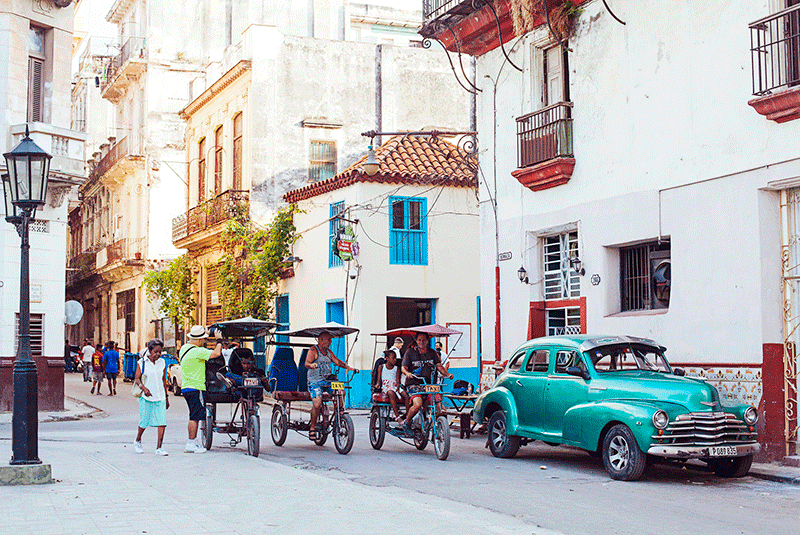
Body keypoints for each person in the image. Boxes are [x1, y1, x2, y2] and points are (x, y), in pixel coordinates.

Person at [304, 331, 358, 441]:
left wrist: (348, 367)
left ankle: (339, 415)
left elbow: (337, 361)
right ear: (321, 340)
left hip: (328, 380)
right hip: (315, 381)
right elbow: (306, 363)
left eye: (330, 340)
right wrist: (312, 365)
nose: (330, 342)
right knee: (317, 403)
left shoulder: (329, 352)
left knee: (341, 391)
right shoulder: (313, 350)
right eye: (328, 339)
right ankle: (312, 427)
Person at [178, 325, 223, 453]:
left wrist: (206, 334)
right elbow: (216, 353)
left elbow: (203, 349)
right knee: (195, 416)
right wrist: (218, 340)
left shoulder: (184, 348)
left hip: (187, 387)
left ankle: (193, 442)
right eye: (203, 339)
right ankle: (191, 443)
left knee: (194, 414)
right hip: (196, 387)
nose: (204, 341)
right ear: (199, 340)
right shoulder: (197, 352)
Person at [401, 331, 453, 436]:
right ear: (416, 341)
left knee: (438, 405)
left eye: (424, 340)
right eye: (419, 340)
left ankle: (435, 424)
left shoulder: (432, 352)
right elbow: (403, 368)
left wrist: (447, 374)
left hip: (429, 384)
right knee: (418, 404)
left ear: (427, 341)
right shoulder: (410, 352)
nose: (422, 342)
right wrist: (407, 373)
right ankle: (407, 422)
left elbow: (439, 366)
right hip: (414, 384)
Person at [133, 339, 170, 456]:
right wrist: (144, 388)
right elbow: (137, 378)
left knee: (162, 422)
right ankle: (138, 440)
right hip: (146, 398)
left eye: (160, 352)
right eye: (155, 352)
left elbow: (163, 381)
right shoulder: (142, 362)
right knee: (144, 421)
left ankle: (159, 447)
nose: (158, 354)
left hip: (160, 397)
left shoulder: (162, 363)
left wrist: (166, 397)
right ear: (149, 350)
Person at [377, 348, 407, 423]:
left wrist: (398, 387)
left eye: (395, 358)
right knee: (391, 393)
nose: (395, 360)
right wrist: (377, 385)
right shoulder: (381, 367)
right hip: (386, 387)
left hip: (395, 386)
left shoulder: (396, 368)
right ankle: (397, 416)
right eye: (393, 358)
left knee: (406, 395)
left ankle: (408, 415)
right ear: (387, 358)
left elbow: (397, 380)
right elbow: (379, 380)